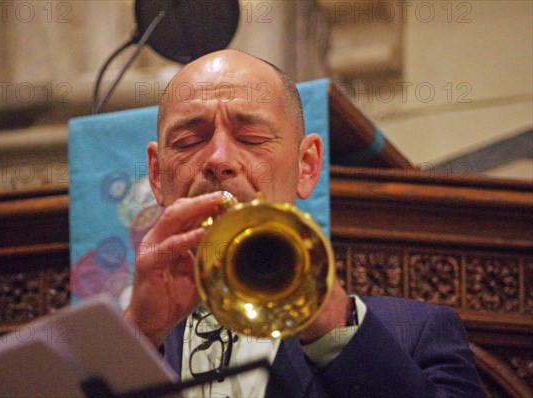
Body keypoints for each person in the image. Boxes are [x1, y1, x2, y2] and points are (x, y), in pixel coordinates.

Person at [123, 49, 483, 397]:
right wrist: (138, 335)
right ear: (157, 175)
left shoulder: (416, 334)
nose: (218, 159)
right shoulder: (97, 341)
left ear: (307, 166)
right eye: (188, 141)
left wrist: (333, 325)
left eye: (251, 138)